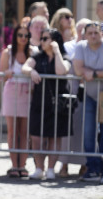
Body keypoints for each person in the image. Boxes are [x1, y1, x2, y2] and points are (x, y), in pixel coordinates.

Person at [25, 29, 72, 180]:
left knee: (54, 137)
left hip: (58, 103)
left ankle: (51, 168)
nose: (42, 42)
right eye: (42, 38)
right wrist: (31, 72)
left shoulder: (64, 56)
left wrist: (57, 51)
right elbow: (25, 67)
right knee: (36, 137)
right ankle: (39, 168)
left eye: (46, 39)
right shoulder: (38, 57)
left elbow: (61, 71)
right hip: (40, 101)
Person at [72, 21, 103, 181]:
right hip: (89, 94)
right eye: (90, 33)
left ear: (101, 33)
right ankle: (92, 168)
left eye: (96, 33)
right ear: (85, 35)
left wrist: (94, 74)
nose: (94, 36)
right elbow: (78, 69)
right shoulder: (81, 47)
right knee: (88, 133)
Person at [0, 25, 33, 177]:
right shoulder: (8, 52)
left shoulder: (32, 52)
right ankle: (14, 165)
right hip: (11, 90)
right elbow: (1, 73)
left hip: (27, 91)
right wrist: (6, 73)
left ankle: (22, 165)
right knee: (12, 130)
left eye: (26, 35)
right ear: (15, 36)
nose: (23, 38)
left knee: (25, 131)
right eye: (20, 35)